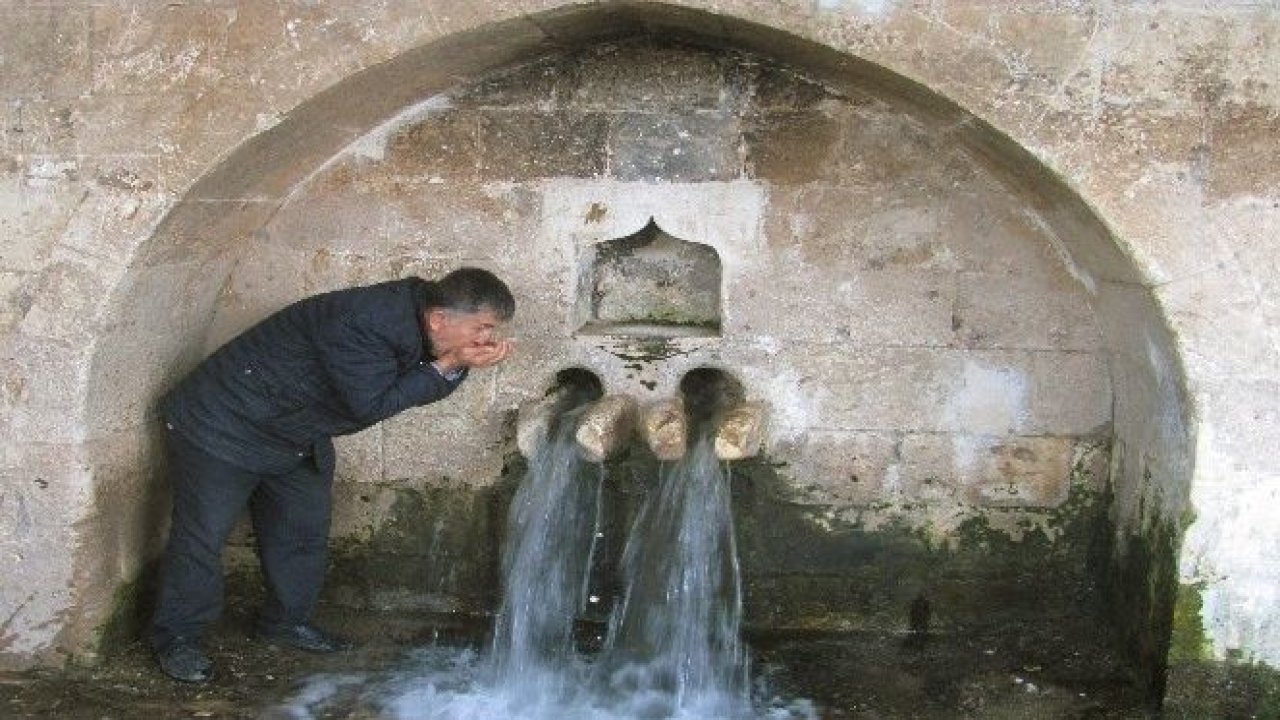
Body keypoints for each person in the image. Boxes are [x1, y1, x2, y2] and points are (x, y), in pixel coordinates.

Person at [149, 268, 515, 682]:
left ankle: (284, 623)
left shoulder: (419, 318)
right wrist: (447, 363)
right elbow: (369, 405)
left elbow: (424, 378)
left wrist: (450, 364)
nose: (485, 339)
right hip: (224, 422)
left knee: (302, 530)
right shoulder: (363, 322)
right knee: (201, 537)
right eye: (481, 328)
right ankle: (177, 639)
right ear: (438, 319)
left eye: (491, 331)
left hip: (294, 429)